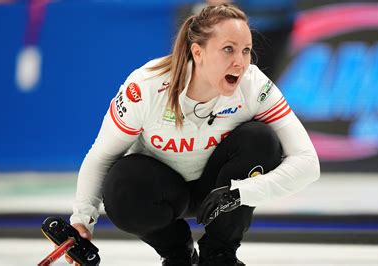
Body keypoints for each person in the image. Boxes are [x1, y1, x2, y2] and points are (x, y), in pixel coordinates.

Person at [68, 4, 320, 266]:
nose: (241, 62)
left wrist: (241, 192)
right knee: (121, 185)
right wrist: (81, 221)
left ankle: (219, 253)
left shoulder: (254, 86)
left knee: (260, 139)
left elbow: (308, 163)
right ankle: (178, 253)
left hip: (221, 193)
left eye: (246, 50)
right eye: (228, 49)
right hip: (164, 193)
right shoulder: (145, 87)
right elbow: (101, 157)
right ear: (197, 52)